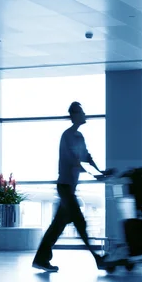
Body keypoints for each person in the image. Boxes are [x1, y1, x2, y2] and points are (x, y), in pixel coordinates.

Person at [32, 101, 106, 272]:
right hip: (65, 187)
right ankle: (98, 259)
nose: (84, 114)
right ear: (74, 116)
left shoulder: (79, 137)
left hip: (69, 187)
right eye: (81, 112)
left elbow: (86, 156)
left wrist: (99, 171)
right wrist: (95, 174)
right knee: (80, 223)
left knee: (57, 227)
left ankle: (41, 260)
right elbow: (72, 160)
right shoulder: (67, 136)